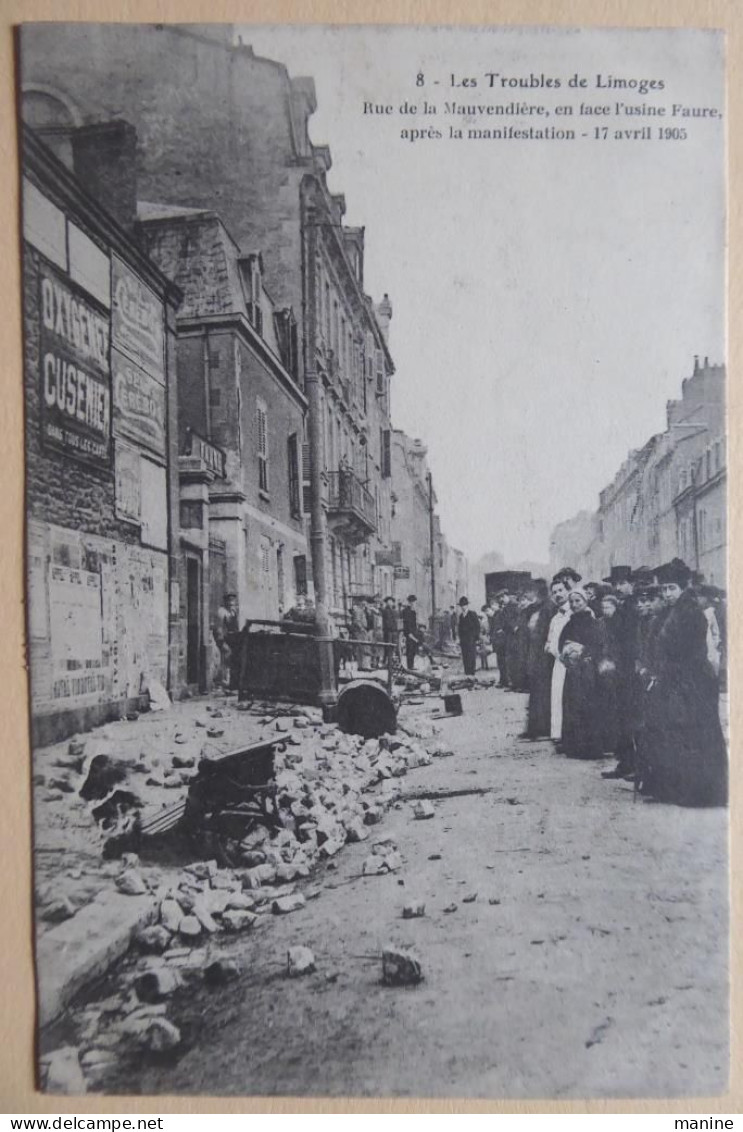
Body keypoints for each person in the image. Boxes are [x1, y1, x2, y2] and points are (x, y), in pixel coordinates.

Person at [645, 558, 727, 806]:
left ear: (682, 588)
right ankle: (680, 789)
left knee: (692, 733)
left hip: (692, 681)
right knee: (677, 734)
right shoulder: (673, 611)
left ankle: (700, 793)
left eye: (671, 588)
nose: (667, 593)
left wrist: (665, 671)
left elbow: (685, 651)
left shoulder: (690, 612)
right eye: (664, 589)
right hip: (678, 680)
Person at [558, 587, 603, 759]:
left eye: (578, 601)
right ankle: (574, 746)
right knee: (572, 706)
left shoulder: (593, 623)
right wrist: (567, 652)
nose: (575, 604)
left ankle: (590, 747)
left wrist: (583, 651)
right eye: (572, 602)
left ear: (586, 602)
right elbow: (561, 644)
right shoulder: (569, 624)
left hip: (588, 672)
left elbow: (598, 645)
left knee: (588, 706)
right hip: (573, 671)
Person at [523, 580, 554, 739]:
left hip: (543, 656)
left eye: (532, 591)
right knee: (536, 691)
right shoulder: (538, 609)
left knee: (542, 692)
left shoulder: (548, 608)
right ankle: (535, 727)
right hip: (535, 654)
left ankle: (542, 728)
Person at [545, 577, 572, 746]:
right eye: (554, 592)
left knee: (568, 697)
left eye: (561, 590)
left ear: (568, 590)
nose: (558, 595)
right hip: (558, 662)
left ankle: (569, 734)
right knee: (556, 696)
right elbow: (549, 640)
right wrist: (549, 647)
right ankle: (558, 733)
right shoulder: (555, 618)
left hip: (571, 663)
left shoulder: (574, 611)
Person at [213, 593, 240, 690]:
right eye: (230, 601)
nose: (232, 603)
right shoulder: (221, 612)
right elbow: (218, 628)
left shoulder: (233, 612)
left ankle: (230, 682)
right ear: (226, 601)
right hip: (223, 639)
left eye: (233, 601)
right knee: (225, 658)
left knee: (232, 659)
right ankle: (222, 681)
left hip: (232, 639)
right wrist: (221, 642)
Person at [457, 596, 481, 676]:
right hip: (463, 639)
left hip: (471, 638)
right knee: (465, 655)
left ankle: (472, 672)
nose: (463, 607)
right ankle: (467, 672)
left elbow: (477, 626)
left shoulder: (472, 614)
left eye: (464, 605)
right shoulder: (461, 616)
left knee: (471, 655)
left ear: (467, 605)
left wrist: (476, 638)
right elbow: (459, 628)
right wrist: (459, 638)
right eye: (461, 606)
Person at [401, 594, 419, 670]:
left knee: (413, 650)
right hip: (409, 633)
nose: (415, 604)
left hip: (414, 632)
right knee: (410, 650)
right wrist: (409, 634)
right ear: (411, 602)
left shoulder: (413, 611)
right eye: (414, 602)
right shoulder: (406, 611)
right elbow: (407, 624)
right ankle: (410, 666)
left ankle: (411, 665)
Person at [382, 595, 399, 667]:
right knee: (388, 646)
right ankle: (387, 662)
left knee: (394, 646)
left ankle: (392, 662)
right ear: (386, 603)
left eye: (391, 602)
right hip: (388, 631)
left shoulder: (395, 611)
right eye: (388, 602)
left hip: (394, 631)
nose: (390, 603)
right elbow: (386, 622)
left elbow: (396, 621)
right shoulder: (385, 611)